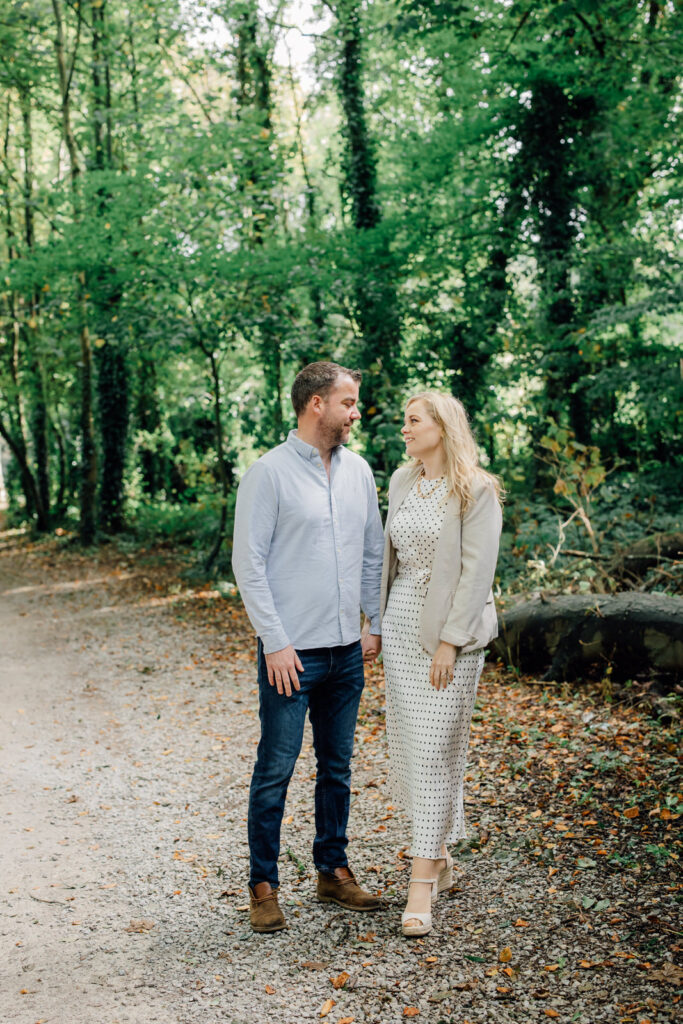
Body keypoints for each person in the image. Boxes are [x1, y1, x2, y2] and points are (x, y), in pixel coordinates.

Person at [232, 361, 384, 933]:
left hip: (347, 651)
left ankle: (332, 870)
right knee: (275, 768)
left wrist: (376, 624)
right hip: (291, 655)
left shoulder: (360, 472)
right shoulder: (267, 474)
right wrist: (274, 641)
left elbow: (372, 554)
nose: (355, 412)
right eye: (348, 402)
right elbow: (248, 564)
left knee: (337, 768)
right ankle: (263, 885)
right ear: (315, 403)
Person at [379, 391, 503, 937]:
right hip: (401, 623)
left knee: (436, 749)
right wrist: (374, 623)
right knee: (413, 751)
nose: (403, 429)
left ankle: (420, 884)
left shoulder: (475, 489)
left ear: (443, 426)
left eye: (413, 421)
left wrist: (450, 642)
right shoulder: (402, 482)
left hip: (448, 635)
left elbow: (478, 575)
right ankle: (441, 857)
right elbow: (390, 557)